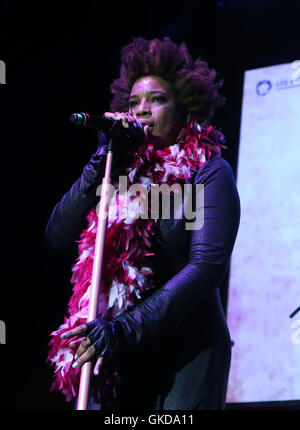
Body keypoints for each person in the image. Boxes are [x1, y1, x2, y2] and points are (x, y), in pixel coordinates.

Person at [46, 36, 240, 410]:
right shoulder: (120, 178)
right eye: (134, 103)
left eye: (157, 99)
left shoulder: (208, 172)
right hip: (124, 358)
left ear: (186, 109)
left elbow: (206, 267)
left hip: (187, 354)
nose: (142, 111)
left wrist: (123, 329)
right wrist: (98, 163)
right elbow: (57, 236)